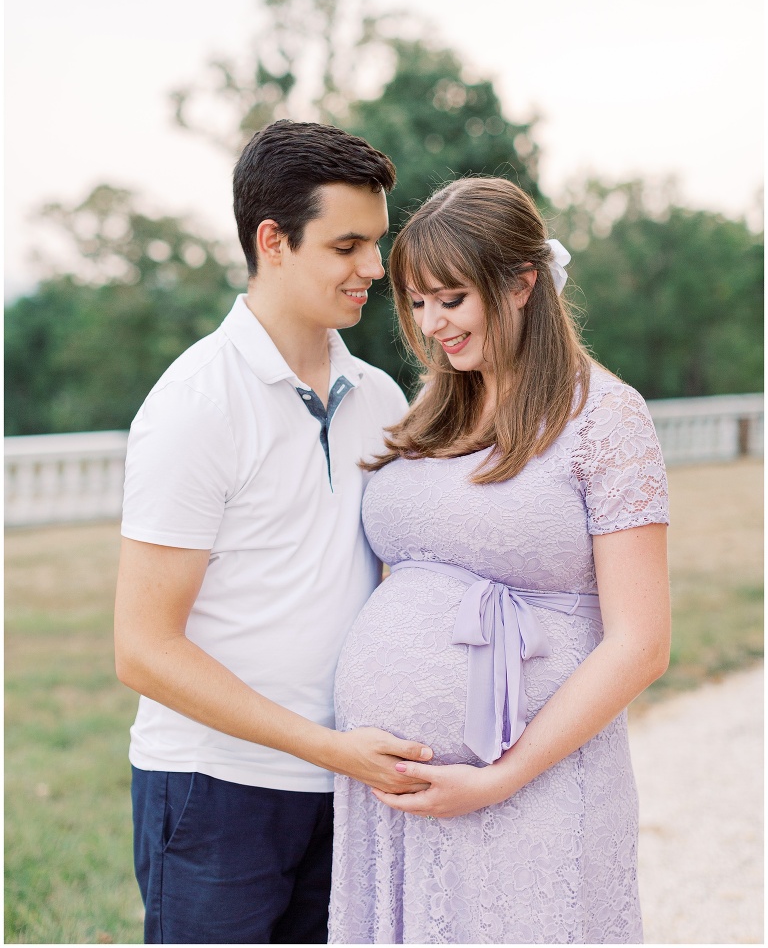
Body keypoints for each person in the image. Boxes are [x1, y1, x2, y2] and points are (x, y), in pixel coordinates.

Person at [114, 120, 434, 945]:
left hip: (346, 788)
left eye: (378, 242)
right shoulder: (193, 404)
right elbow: (143, 648)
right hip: (214, 788)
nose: (374, 268)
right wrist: (329, 747)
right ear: (273, 242)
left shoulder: (379, 400)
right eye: (349, 245)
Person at [328, 176, 671, 944]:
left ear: (521, 283)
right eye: (417, 302)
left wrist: (496, 779)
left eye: (451, 298)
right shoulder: (431, 406)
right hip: (395, 800)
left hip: (531, 787)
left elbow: (642, 643)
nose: (432, 323)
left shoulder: (606, 419)